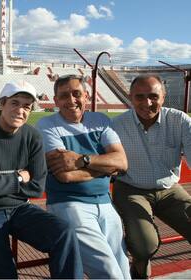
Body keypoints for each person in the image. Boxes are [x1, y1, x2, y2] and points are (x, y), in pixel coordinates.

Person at [0, 80, 83, 279]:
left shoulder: (33, 136)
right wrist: (19, 176)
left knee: (63, 232)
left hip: (21, 208)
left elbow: (37, 187)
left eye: (26, 106)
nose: (21, 110)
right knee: (2, 272)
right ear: (2, 104)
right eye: (15, 103)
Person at [36, 74, 131, 279]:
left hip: (106, 203)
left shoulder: (101, 120)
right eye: (64, 96)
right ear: (56, 101)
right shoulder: (47, 125)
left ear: (86, 96)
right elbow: (65, 176)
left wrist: (83, 160)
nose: (71, 100)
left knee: (124, 269)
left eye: (76, 94)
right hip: (69, 204)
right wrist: (106, 168)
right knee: (109, 273)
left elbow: (122, 163)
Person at [111, 74, 191, 279]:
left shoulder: (180, 120)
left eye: (153, 96)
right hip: (131, 188)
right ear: (130, 97)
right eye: (139, 97)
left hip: (169, 189)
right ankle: (139, 269)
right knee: (145, 246)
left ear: (163, 97)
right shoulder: (117, 125)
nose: (147, 103)